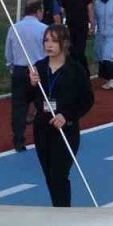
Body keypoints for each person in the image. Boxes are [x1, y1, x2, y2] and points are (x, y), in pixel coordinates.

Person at [29, 25, 94, 207]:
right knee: (49, 175)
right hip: (42, 128)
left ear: (64, 43)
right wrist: (31, 84)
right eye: (46, 40)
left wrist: (67, 116)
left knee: (59, 174)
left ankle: (64, 212)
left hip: (66, 130)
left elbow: (87, 100)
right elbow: (26, 97)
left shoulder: (76, 69)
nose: (49, 45)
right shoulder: (39, 68)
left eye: (54, 41)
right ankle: (57, 209)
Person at [5, 1, 49, 152]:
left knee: (19, 107)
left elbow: (8, 53)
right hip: (39, 71)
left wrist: (12, 68)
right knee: (43, 107)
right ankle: (43, 138)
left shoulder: (14, 28)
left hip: (20, 70)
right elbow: (49, 51)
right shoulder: (44, 29)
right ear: (38, 11)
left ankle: (18, 140)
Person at [59, 0, 95, 67]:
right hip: (70, 28)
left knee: (80, 51)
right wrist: (62, 26)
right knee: (71, 51)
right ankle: (77, 72)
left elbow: (90, 11)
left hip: (82, 27)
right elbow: (62, 12)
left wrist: (92, 26)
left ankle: (84, 72)